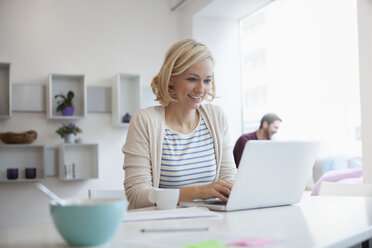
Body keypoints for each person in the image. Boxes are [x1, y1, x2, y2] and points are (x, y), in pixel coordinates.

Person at [122, 39, 237, 209]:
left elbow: (229, 179)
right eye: (192, 79)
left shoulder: (216, 117)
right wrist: (199, 192)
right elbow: (136, 195)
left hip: (212, 222)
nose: (200, 89)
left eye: (207, 80)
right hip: (163, 227)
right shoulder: (145, 120)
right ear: (171, 79)